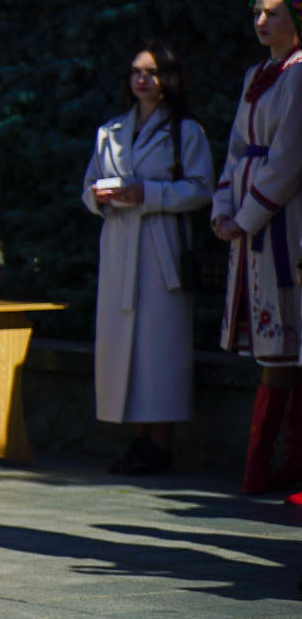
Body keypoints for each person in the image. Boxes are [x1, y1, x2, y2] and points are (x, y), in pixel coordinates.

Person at [83, 43, 212, 477]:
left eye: (152, 72)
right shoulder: (111, 130)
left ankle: (160, 443)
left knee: (161, 348)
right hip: (120, 245)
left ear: (168, 78)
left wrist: (150, 194)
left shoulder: (185, 132)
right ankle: (138, 439)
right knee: (126, 347)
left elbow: (201, 189)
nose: (143, 79)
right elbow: (87, 187)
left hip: (162, 249)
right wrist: (100, 196)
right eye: (136, 71)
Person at [211, 0, 302, 498]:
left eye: (273, 12)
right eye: (257, 12)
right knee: (275, 346)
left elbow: (288, 158)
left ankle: (281, 463)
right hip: (255, 224)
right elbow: (237, 148)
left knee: (292, 341)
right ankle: (264, 465)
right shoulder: (255, 76)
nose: (262, 21)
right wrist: (224, 206)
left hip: (285, 225)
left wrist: (245, 217)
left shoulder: (298, 73)